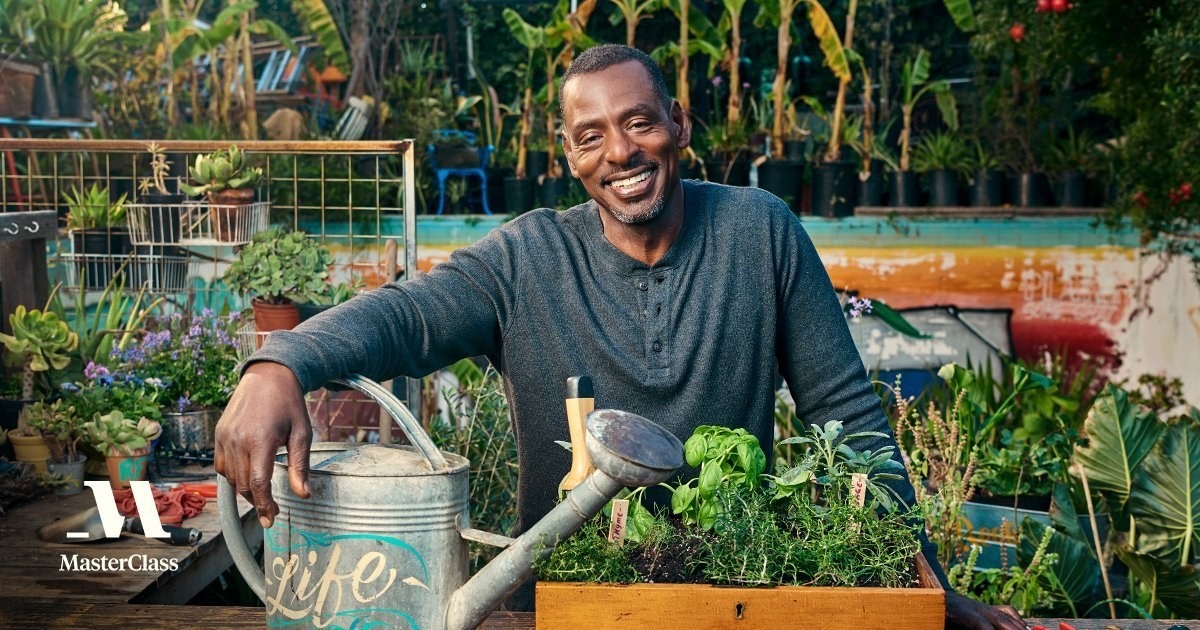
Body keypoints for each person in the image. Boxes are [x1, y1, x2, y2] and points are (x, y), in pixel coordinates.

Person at [215, 43, 1024, 629]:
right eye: (592, 134)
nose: (622, 152)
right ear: (570, 155)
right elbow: (408, 314)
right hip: (562, 608)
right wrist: (278, 363)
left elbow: (849, 418)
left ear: (678, 124)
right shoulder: (527, 259)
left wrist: (929, 587)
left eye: (639, 122)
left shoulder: (760, 232)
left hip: (729, 603)